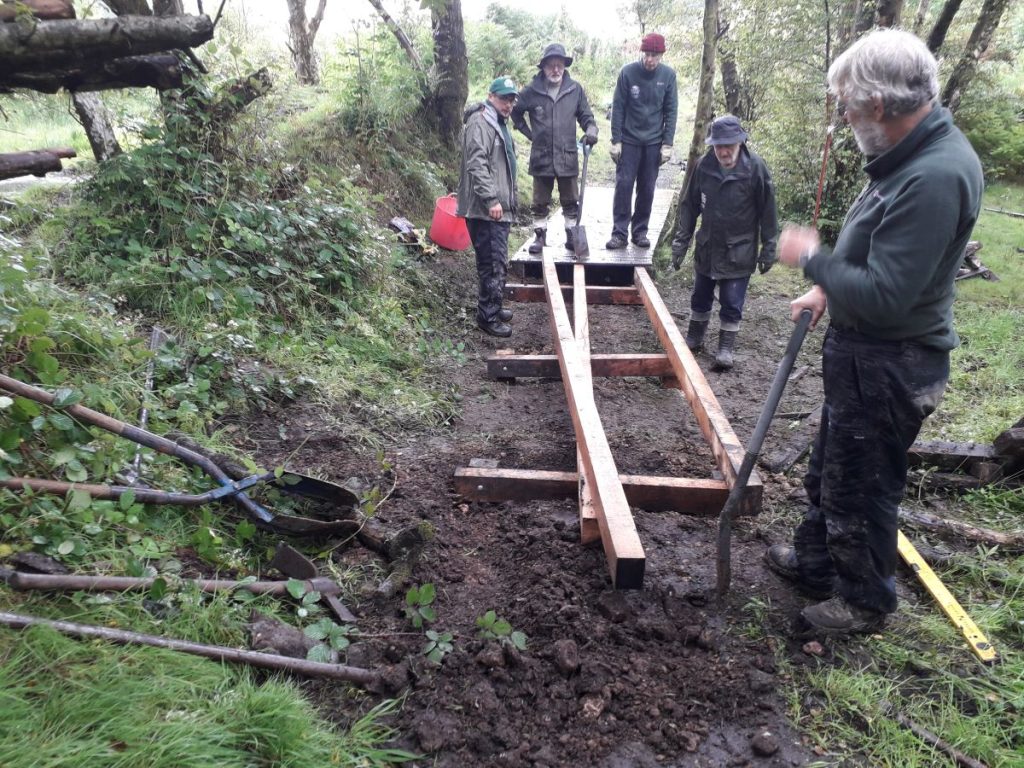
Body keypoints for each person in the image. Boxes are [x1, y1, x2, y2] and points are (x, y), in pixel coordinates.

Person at [765, 29, 983, 635]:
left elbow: (887, 297)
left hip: (890, 359)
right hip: (865, 353)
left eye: (848, 104)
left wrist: (814, 259)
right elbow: (883, 257)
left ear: (880, 105)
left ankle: (863, 602)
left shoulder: (933, 175)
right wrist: (829, 286)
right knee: (830, 468)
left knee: (859, 487)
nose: (844, 115)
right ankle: (815, 564)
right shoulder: (908, 156)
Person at [670, 114, 778, 370]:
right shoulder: (703, 166)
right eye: (719, 145)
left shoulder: (755, 169)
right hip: (708, 245)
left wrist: (769, 247)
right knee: (700, 295)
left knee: (732, 300)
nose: (723, 151)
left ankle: (726, 347)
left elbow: (768, 211)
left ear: (741, 143)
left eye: (729, 145)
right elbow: (688, 206)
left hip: (740, 249)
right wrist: (680, 243)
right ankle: (695, 336)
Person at [512, 43, 599, 254]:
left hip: (567, 154)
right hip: (541, 156)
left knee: (571, 201)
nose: (556, 70)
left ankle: (571, 237)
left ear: (564, 66)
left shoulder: (575, 89)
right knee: (539, 201)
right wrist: (529, 133)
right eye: (551, 65)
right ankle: (539, 237)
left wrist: (592, 130)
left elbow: (586, 116)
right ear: (543, 67)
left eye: (559, 65)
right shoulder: (531, 90)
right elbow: (515, 112)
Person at [457, 76, 520, 338]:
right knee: (492, 263)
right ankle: (488, 316)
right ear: (491, 96)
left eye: (512, 99)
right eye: (504, 98)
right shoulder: (480, 123)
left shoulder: (498, 122)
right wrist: (491, 199)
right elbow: (476, 163)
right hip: (486, 209)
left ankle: (493, 304)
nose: (509, 104)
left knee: (496, 261)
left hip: (497, 207)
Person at [606, 32, 678, 250]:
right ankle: (619, 233)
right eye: (647, 54)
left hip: (653, 143)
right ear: (641, 53)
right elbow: (618, 107)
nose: (650, 59)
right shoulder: (627, 73)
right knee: (624, 186)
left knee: (647, 188)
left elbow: (671, 110)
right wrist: (616, 140)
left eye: (655, 55)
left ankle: (640, 231)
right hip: (629, 140)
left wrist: (667, 143)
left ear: (661, 55)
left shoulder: (668, 76)